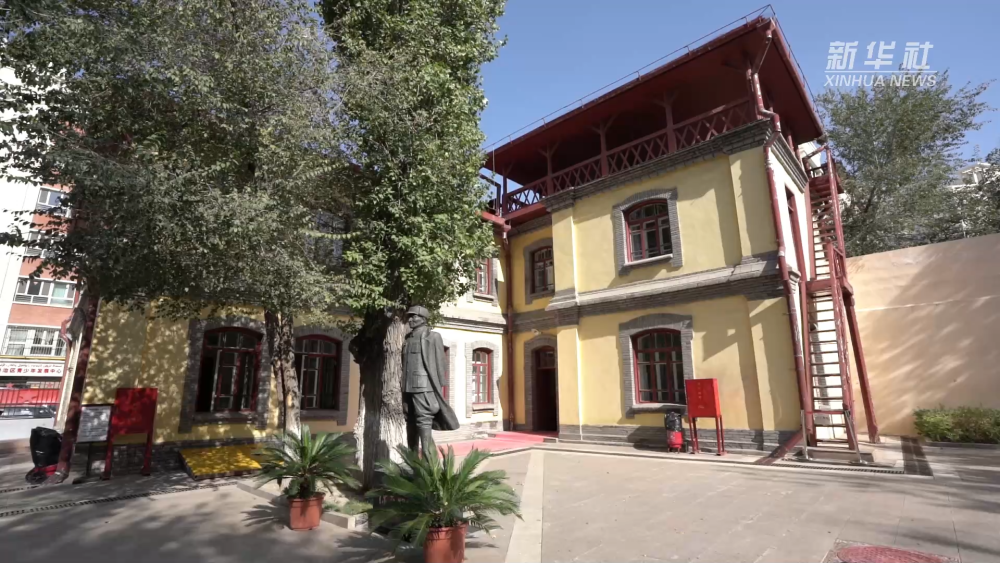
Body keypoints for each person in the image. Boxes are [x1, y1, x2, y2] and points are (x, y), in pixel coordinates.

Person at [401, 305, 459, 458]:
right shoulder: (407, 338)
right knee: (410, 422)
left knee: (423, 422)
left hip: (423, 386)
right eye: (409, 317)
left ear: (423, 319)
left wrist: (438, 385)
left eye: (414, 316)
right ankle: (413, 461)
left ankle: (430, 462)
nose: (410, 320)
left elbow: (441, 362)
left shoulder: (433, 337)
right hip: (407, 386)